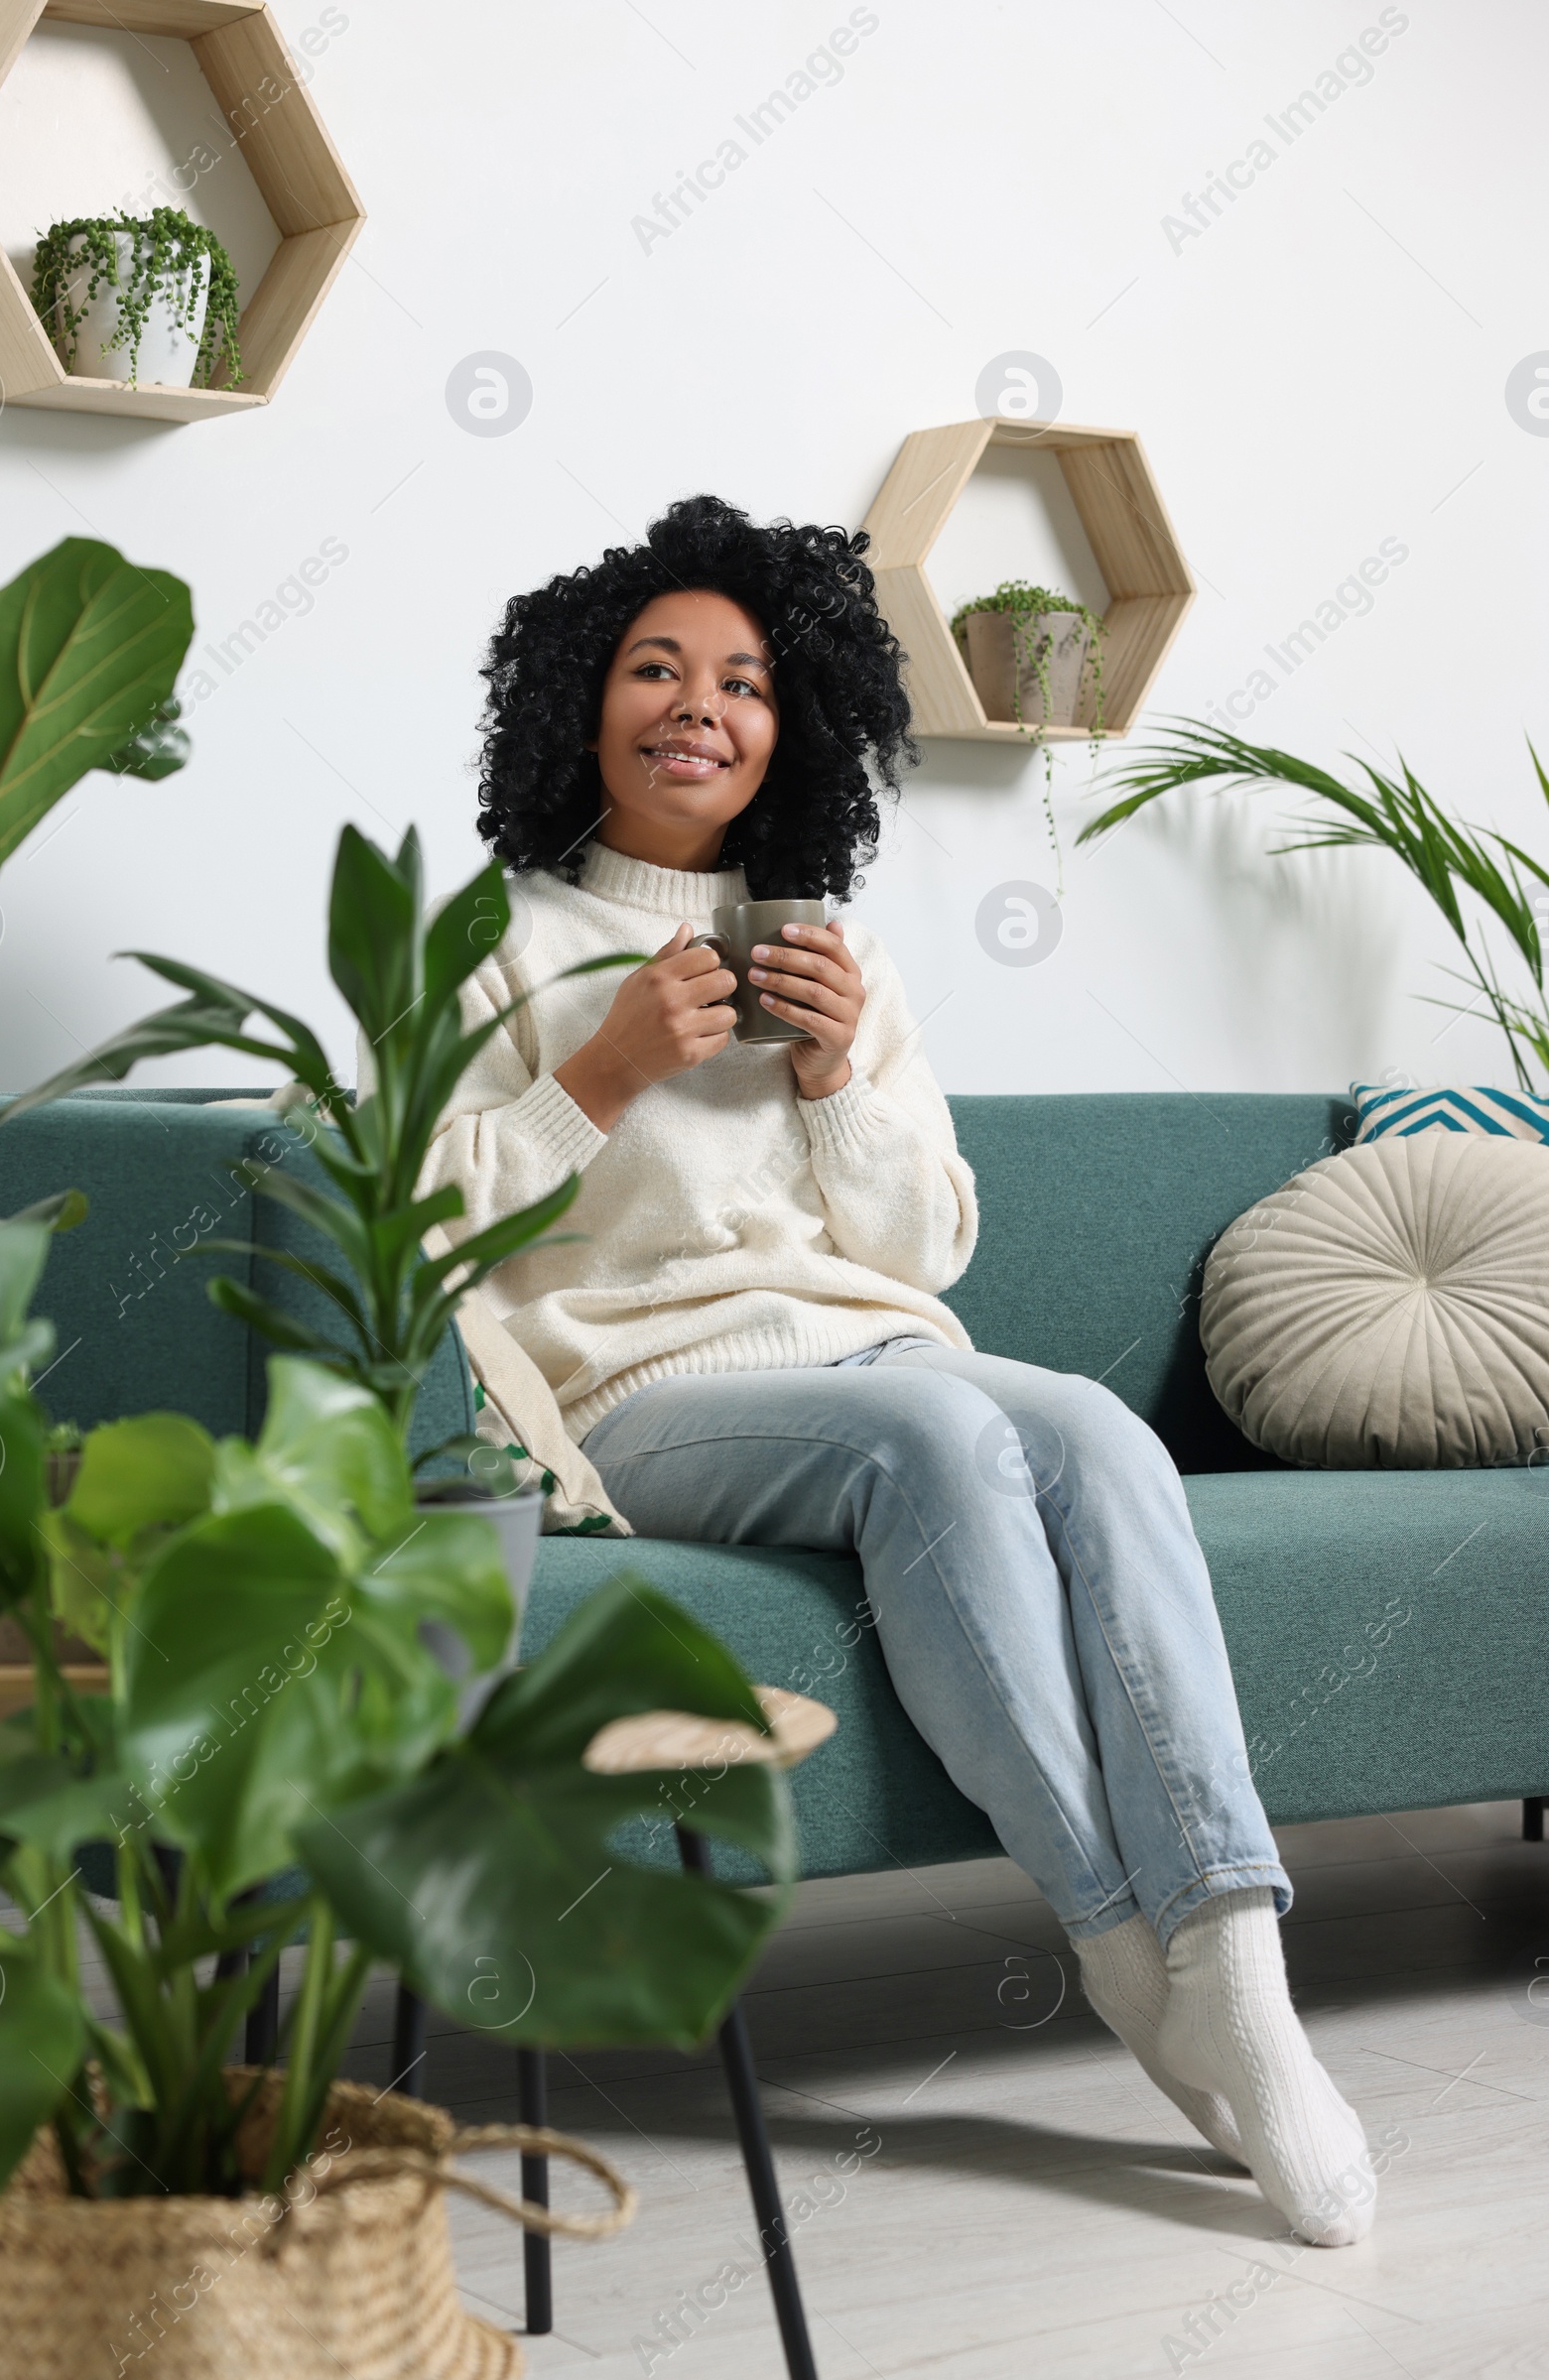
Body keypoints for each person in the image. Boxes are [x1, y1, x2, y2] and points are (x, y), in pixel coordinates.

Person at [423, 494, 1375, 2246]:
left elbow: (927, 1251)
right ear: (582, 701)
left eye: (745, 681)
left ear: (793, 731)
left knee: (1089, 1430)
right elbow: (394, 1226)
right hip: (640, 1395)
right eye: (654, 668)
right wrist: (607, 1073)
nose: (699, 704)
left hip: (873, 1351)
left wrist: (839, 1073)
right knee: (936, 1437)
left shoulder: (836, 961)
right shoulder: (495, 944)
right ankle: (1110, 1939)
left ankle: (1233, 1966)